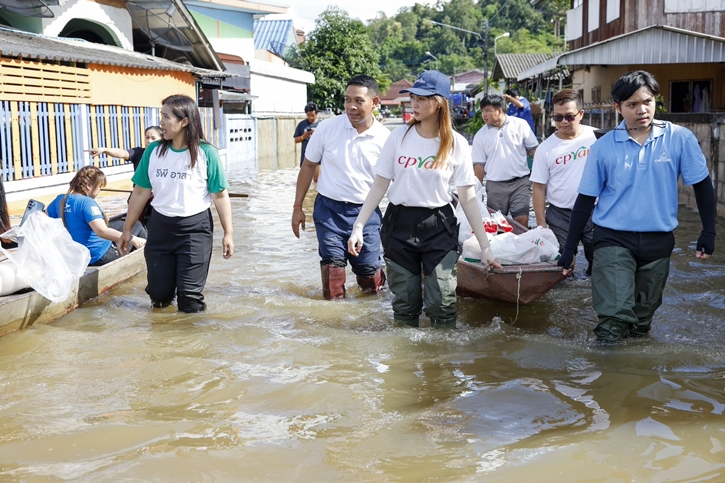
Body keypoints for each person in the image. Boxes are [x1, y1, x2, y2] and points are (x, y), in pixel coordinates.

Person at [559, 71, 716, 342]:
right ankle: (608, 379)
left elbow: (702, 185)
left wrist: (709, 232)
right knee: (613, 322)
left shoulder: (679, 138)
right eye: (632, 105)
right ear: (617, 108)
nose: (642, 110)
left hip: (658, 242)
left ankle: (635, 379)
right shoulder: (603, 147)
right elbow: (585, 200)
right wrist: (570, 249)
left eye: (647, 101)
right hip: (612, 239)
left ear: (656, 101)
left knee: (641, 324)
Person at [347, 71, 502, 328]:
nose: (414, 104)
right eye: (413, 98)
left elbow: (467, 196)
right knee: (406, 303)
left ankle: (440, 363)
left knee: (442, 302)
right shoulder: (400, 137)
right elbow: (380, 184)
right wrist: (358, 227)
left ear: (439, 102)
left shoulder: (456, 144)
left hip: (438, 224)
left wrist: (485, 247)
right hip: (399, 223)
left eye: (421, 99)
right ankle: (404, 362)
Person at [118, 94, 234, 313]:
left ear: (184, 121)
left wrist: (228, 233)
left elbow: (219, 195)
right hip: (160, 228)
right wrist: (126, 230)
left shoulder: (206, 153)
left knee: (189, 298)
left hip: (195, 230)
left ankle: (192, 343)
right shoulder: (154, 151)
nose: (161, 122)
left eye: (166, 117)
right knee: (159, 296)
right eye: (161, 116)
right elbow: (141, 192)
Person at [291, 75, 390, 300]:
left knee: (367, 274)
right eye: (347, 100)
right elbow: (308, 166)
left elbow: (394, 182)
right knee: (332, 270)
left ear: (374, 103)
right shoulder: (328, 128)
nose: (351, 106)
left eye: (358, 101)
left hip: (366, 213)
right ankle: (334, 323)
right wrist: (298, 206)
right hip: (329, 211)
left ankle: (373, 307)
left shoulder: (385, 139)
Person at [530, 89, 597, 276]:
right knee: (564, 265)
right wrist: (541, 224)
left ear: (581, 114)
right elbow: (538, 187)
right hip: (561, 214)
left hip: (595, 211)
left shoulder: (596, 138)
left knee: (599, 261)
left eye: (569, 116)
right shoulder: (545, 149)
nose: (563, 122)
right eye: (558, 118)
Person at [47, 166, 146, 266]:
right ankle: (146, 259)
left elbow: (43, 216)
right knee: (136, 225)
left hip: (79, 255)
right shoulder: (87, 203)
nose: (99, 191)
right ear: (89, 185)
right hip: (99, 256)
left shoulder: (60, 200)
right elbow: (101, 231)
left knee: (124, 225)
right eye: (99, 187)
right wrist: (133, 239)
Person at [471, 94, 539, 227]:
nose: (484, 115)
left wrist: (540, 177)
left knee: (522, 220)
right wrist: (477, 192)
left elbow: (535, 151)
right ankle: (503, 247)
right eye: (483, 111)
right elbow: (479, 166)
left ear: (499, 111)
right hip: (495, 185)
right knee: (498, 224)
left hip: (520, 182)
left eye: (488, 111)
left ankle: (522, 247)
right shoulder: (480, 135)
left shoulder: (520, 125)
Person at [85, 126, 163, 171]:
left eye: (153, 138)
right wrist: (104, 150)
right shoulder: (138, 152)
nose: (149, 141)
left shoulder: (167, 154)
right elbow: (122, 153)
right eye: (147, 137)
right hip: (139, 193)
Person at [293, 103, 322, 182]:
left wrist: (317, 133)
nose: (310, 117)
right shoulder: (301, 125)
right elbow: (296, 140)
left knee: (317, 180)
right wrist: (303, 136)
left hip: (319, 157)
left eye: (312, 115)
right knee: (305, 181)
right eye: (308, 115)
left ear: (316, 113)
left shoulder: (322, 125)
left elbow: (329, 139)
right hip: (305, 157)